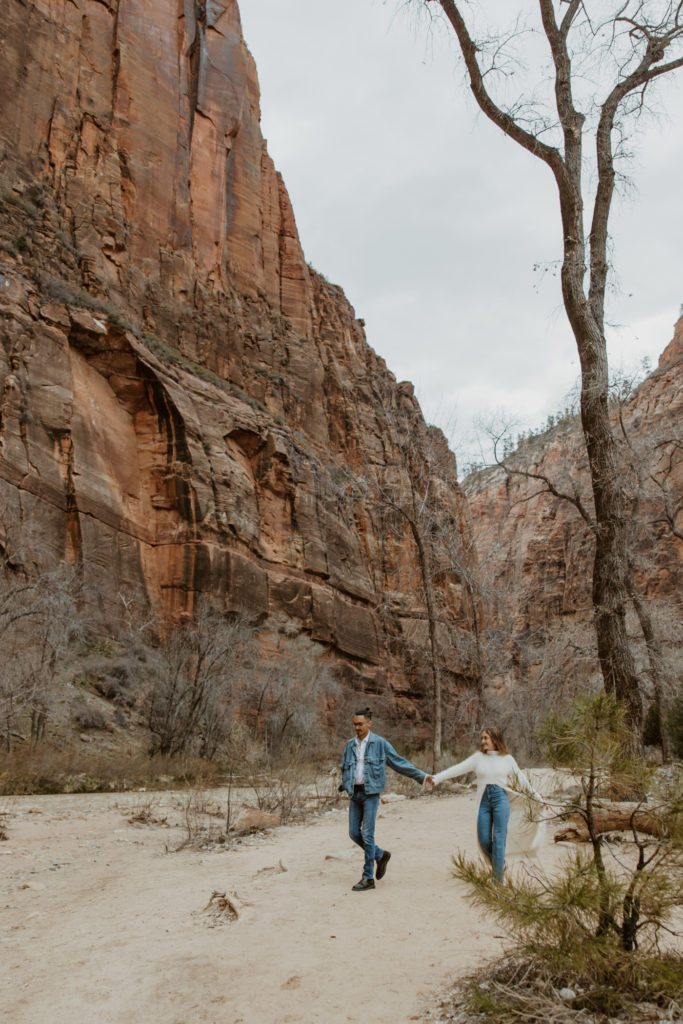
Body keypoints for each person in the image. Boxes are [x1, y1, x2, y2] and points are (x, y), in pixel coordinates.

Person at [429, 727, 547, 884]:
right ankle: (500, 865)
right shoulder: (478, 758)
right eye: (482, 738)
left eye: (486, 738)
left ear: (494, 740)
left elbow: (522, 780)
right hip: (484, 800)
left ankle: (498, 881)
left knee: (499, 839)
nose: (482, 741)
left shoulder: (507, 759)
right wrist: (437, 778)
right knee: (484, 839)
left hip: (501, 799)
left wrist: (538, 798)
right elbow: (458, 769)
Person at [339, 707, 433, 891]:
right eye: (354, 724)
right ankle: (380, 855)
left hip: (371, 794)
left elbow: (399, 763)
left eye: (360, 724)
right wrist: (346, 783)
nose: (357, 728)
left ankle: (368, 878)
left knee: (367, 834)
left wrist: (421, 776)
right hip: (355, 794)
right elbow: (344, 766)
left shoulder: (380, 744)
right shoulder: (350, 745)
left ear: (369, 723)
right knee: (353, 833)